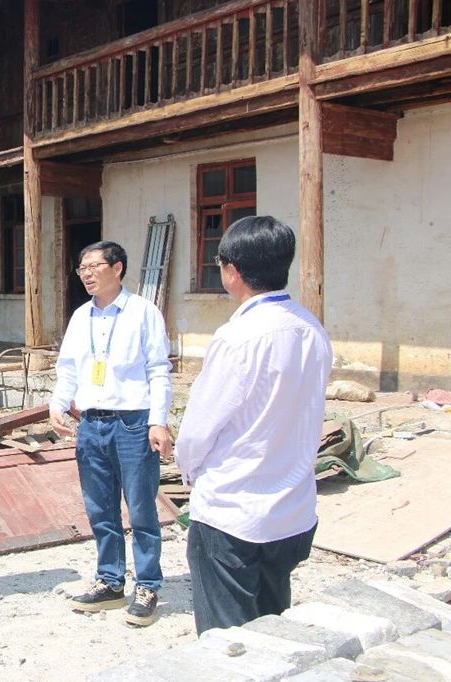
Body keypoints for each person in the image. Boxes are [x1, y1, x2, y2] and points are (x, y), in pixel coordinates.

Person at [175, 216, 331, 634]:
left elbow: (197, 431)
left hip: (233, 512)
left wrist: (189, 470)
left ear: (232, 271)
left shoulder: (239, 337)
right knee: (273, 629)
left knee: (230, 644)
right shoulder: (310, 328)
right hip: (291, 510)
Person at [49, 241, 173, 627]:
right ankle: (110, 581)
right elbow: (68, 367)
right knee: (100, 507)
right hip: (91, 423)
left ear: (117, 268)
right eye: (81, 268)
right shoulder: (80, 316)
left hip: (133, 422)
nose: (86, 274)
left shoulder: (143, 312)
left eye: (93, 266)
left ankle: (147, 584)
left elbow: (158, 368)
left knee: (141, 507)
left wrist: (158, 421)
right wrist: (58, 403)